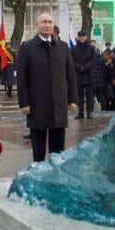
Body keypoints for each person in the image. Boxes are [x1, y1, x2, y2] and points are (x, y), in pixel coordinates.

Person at [17, 13, 78, 162]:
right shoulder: (27, 47)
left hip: (58, 103)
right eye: (44, 22)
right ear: (37, 25)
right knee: (38, 147)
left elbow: (70, 75)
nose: (47, 25)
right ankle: (38, 173)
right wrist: (24, 103)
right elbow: (21, 78)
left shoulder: (62, 47)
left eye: (50, 22)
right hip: (37, 103)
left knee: (57, 150)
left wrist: (72, 99)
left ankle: (55, 175)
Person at [71, 30, 96, 119]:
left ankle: (89, 112)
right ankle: (80, 112)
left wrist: (85, 67)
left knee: (90, 96)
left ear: (86, 37)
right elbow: (72, 61)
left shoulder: (91, 48)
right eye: (80, 36)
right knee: (79, 96)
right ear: (78, 37)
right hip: (79, 75)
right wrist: (79, 67)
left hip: (89, 75)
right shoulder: (74, 49)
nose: (82, 38)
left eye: (83, 36)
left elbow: (93, 60)